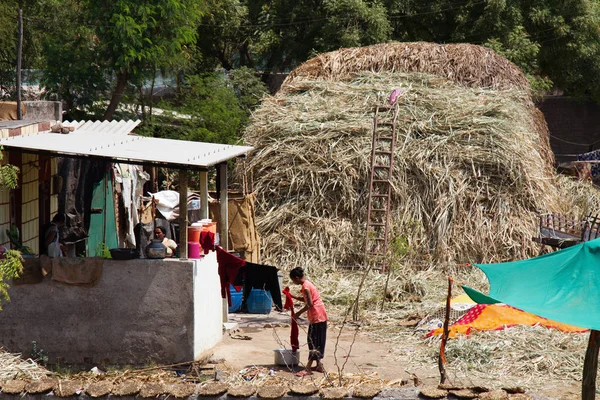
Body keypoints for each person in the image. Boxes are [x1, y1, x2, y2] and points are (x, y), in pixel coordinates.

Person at [289, 267, 328, 376]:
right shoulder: (307, 284)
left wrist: (298, 313)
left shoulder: (306, 287)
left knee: (313, 341)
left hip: (317, 316)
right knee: (316, 340)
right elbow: (306, 299)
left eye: (293, 280)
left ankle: (308, 368)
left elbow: (310, 304)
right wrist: (292, 296)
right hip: (318, 315)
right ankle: (319, 365)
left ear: (297, 278)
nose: (293, 282)